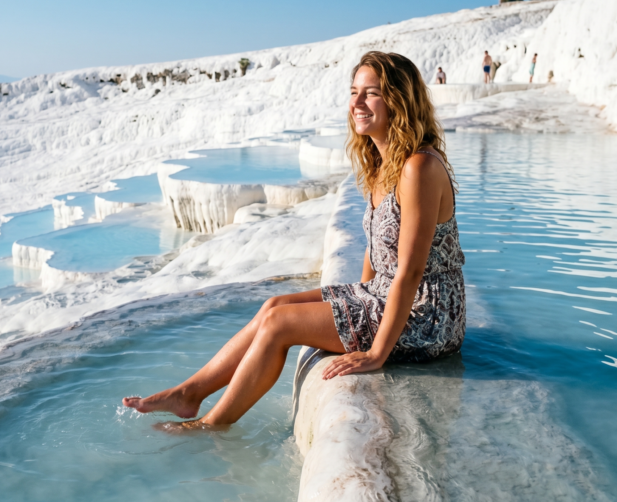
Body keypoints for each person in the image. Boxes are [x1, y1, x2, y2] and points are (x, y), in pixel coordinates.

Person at [122, 51, 466, 430]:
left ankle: (211, 424)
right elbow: (375, 249)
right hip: (388, 295)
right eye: (354, 92)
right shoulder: (381, 163)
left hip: (428, 317)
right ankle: (190, 393)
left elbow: (411, 269)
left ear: (400, 100)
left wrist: (376, 352)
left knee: (281, 325)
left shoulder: (419, 167)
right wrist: (360, 295)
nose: (357, 103)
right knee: (275, 305)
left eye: (371, 93)